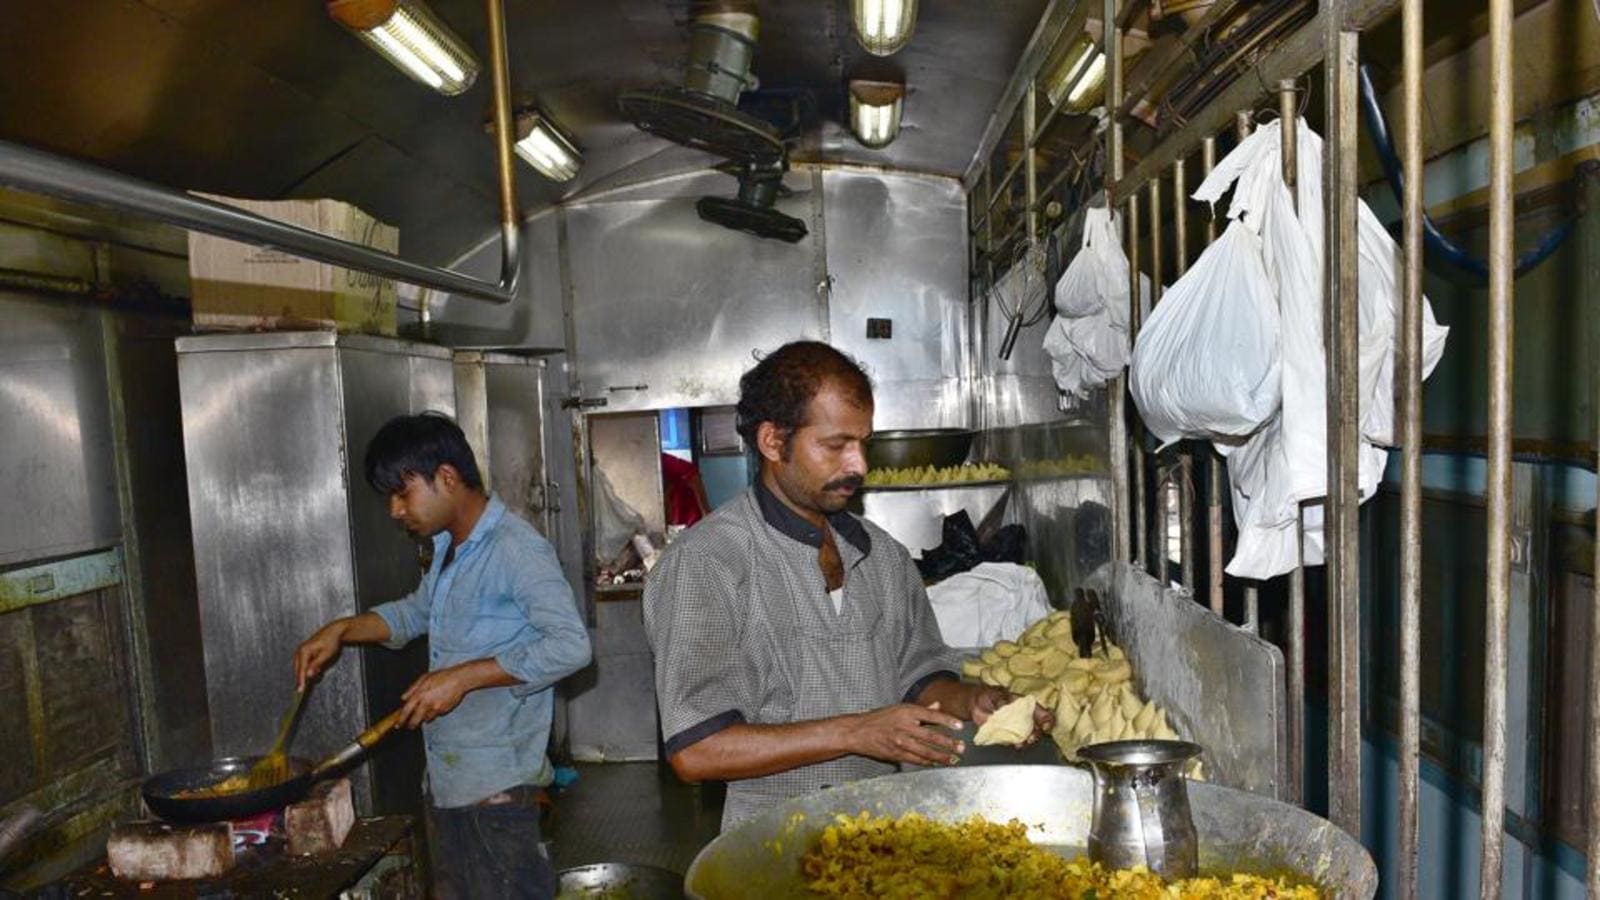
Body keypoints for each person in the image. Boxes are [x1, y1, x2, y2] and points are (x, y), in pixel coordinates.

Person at [643, 341, 1052, 829]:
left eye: (864, 443)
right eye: (836, 445)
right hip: (773, 847)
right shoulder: (708, 563)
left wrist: (974, 700)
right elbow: (696, 749)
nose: (858, 465)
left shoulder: (882, 557)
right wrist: (856, 733)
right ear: (773, 442)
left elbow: (920, 674)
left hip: (891, 833)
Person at [294, 413, 591, 900]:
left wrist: (463, 678)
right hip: (450, 781)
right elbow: (417, 613)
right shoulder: (448, 547)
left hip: (497, 793)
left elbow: (569, 645)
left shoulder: (516, 551)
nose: (394, 510)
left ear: (447, 478)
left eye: (402, 492)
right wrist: (343, 630)